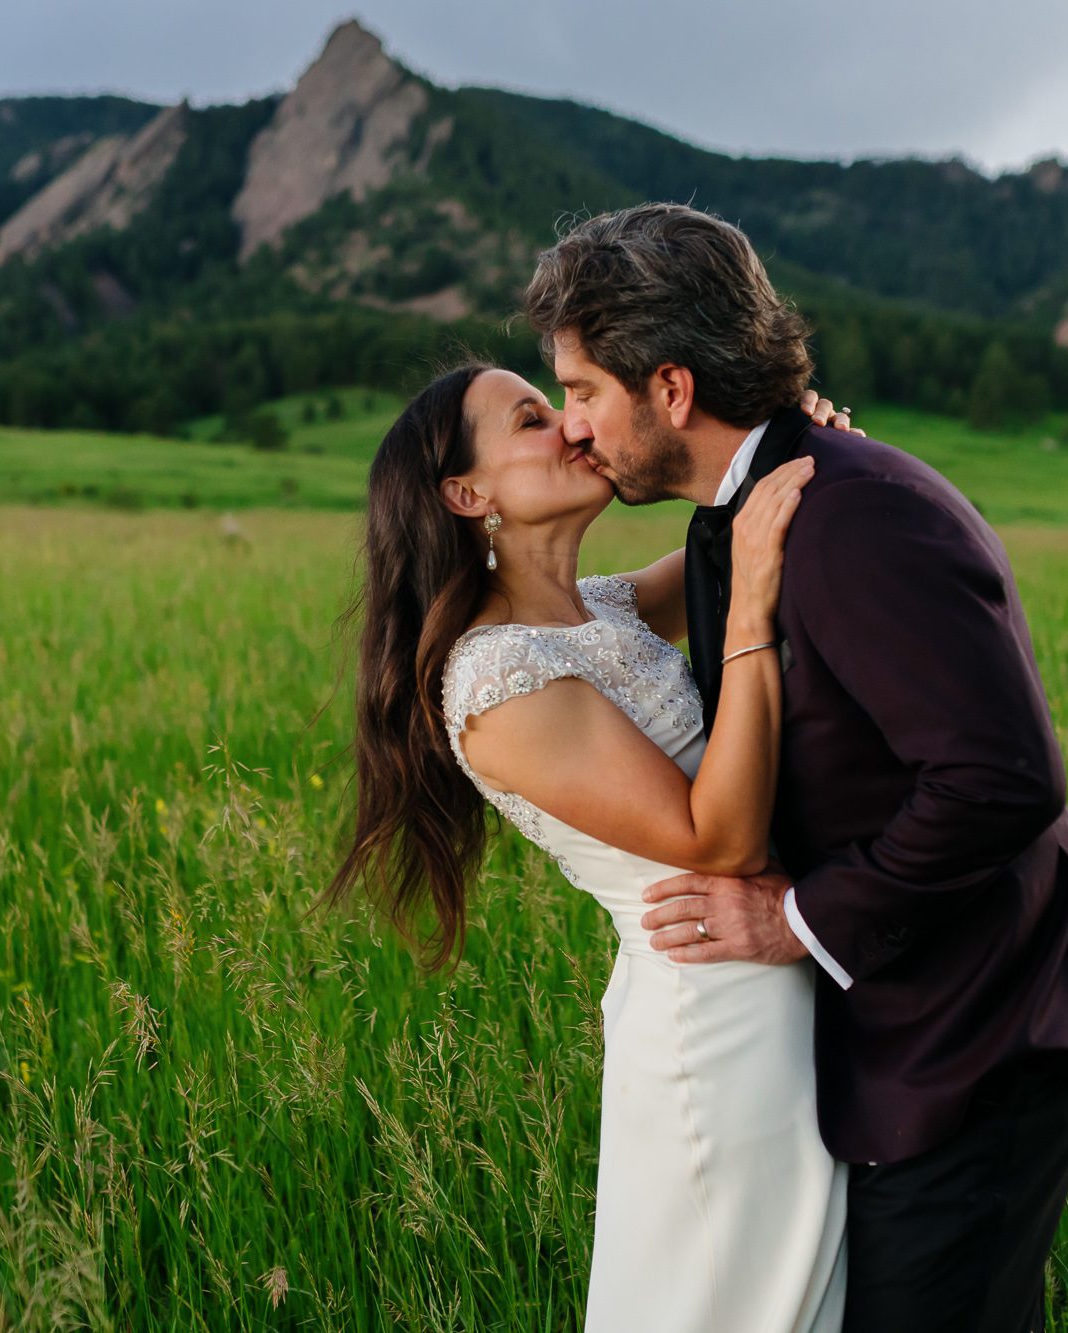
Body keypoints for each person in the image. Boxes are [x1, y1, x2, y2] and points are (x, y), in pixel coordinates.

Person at [522, 202, 1068, 1331]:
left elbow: (999, 779)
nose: (573, 429)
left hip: (975, 1043)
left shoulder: (853, 516)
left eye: (581, 393)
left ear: (670, 390)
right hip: (893, 1042)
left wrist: (797, 919)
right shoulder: (745, 510)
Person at [327, 358, 863, 1330]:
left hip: (771, 996)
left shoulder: (596, 610)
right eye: (534, 418)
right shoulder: (494, 682)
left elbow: (731, 530)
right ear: (466, 493)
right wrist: (745, 611)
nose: (573, 430)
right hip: (712, 1026)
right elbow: (720, 838)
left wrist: (805, 445)